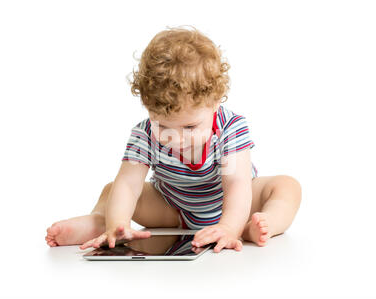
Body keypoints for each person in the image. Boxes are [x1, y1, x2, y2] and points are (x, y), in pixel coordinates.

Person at [45, 26, 302, 253]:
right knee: (113, 189)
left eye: (190, 126)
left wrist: (228, 226)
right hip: (172, 208)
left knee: (286, 187)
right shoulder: (143, 134)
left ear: (214, 103)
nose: (177, 140)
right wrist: (119, 221)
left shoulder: (230, 128)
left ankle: (258, 225)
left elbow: (236, 185)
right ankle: (103, 222)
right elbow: (129, 185)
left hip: (234, 204)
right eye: (163, 126)